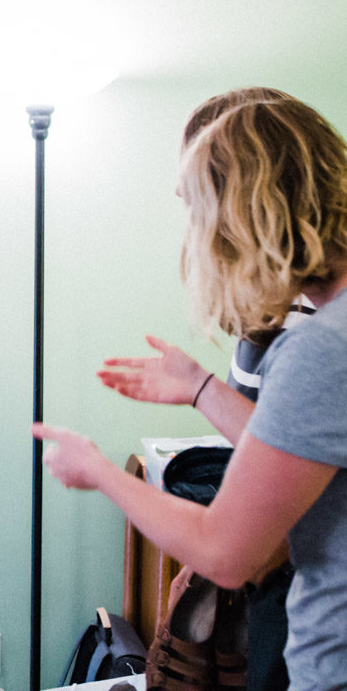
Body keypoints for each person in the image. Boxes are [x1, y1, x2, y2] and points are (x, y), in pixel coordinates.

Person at [33, 89, 347, 688]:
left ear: (244, 217)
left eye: (199, 213)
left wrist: (102, 472)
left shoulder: (321, 348)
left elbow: (229, 552)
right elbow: (304, 451)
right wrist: (200, 386)